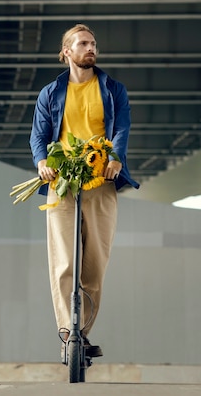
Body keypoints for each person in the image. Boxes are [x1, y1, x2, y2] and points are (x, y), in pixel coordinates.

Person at [29, 24, 139, 360]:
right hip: (62, 182)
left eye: (93, 43)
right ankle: (67, 333)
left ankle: (83, 333)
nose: (90, 48)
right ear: (67, 52)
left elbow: (121, 128)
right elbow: (39, 135)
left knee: (95, 262)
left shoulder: (112, 89)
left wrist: (116, 159)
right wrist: (42, 162)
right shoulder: (51, 93)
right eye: (82, 44)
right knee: (64, 260)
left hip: (102, 180)